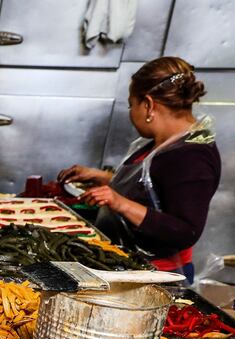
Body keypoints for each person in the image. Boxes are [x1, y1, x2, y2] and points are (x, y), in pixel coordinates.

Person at [58, 56, 220, 283]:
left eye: (131, 104)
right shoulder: (166, 142)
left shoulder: (192, 156)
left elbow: (185, 231)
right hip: (126, 263)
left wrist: (119, 202)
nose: (131, 112)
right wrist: (102, 178)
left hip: (154, 276)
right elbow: (153, 189)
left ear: (149, 104)